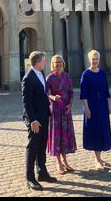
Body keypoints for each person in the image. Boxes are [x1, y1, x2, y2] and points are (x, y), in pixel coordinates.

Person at [22, 51, 57, 191]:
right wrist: (33, 120)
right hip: (35, 119)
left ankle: (42, 172)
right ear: (37, 62)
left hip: (43, 116)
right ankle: (30, 178)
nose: (45, 62)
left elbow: (42, 95)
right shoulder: (28, 78)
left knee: (42, 145)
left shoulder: (40, 73)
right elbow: (26, 102)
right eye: (43, 60)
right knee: (32, 147)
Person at [80, 50, 111, 171]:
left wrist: (109, 105)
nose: (95, 61)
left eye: (97, 59)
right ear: (90, 60)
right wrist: (87, 109)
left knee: (102, 130)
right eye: (93, 59)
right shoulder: (86, 74)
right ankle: (97, 159)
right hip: (92, 106)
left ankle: (100, 158)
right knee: (94, 131)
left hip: (102, 105)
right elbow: (83, 94)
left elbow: (106, 91)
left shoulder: (102, 73)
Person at [47, 55, 77, 175]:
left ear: (63, 63)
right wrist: (53, 97)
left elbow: (71, 91)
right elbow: (47, 93)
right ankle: (58, 162)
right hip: (55, 111)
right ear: (52, 64)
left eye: (59, 62)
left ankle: (65, 160)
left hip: (65, 111)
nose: (58, 64)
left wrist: (70, 104)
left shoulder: (67, 77)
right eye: (55, 62)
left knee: (65, 136)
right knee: (57, 136)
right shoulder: (49, 78)